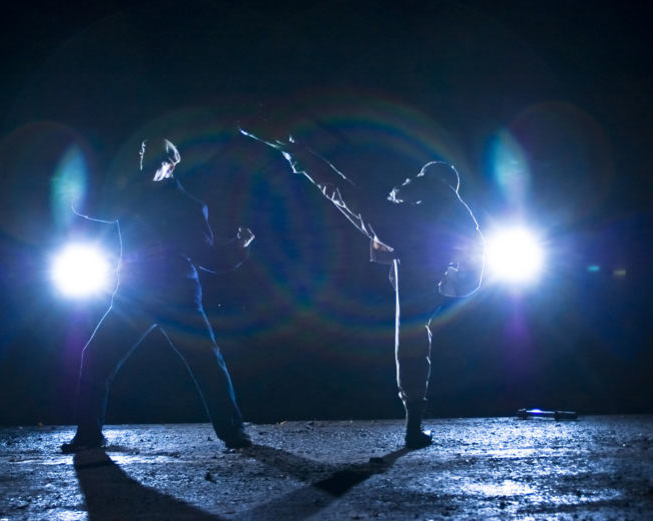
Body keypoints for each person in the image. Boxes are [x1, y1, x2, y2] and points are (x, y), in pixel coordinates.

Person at [241, 128, 484, 448]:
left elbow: (387, 199)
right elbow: (472, 262)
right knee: (412, 343)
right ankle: (413, 426)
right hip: (418, 260)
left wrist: (448, 280)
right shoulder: (455, 210)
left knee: (342, 192)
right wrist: (449, 284)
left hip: (411, 251)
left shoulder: (438, 193)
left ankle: (297, 152)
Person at [61, 138, 255, 453]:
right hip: (134, 298)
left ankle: (233, 433)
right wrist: (73, 199)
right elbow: (96, 211)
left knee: (208, 365)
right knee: (95, 358)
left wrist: (237, 248)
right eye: (143, 154)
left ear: (171, 165)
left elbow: (207, 257)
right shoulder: (129, 198)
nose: (147, 161)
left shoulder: (189, 206)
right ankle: (89, 436)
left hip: (179, 300)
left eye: (156, 157)